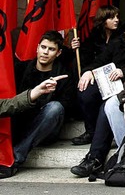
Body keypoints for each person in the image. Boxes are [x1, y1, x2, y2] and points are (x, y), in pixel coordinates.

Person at [71, 12, 125, 178]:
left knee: (107, 107)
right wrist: (88, 72)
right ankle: (92, 133)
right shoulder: (117, 43)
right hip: (110, 83)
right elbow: (101, 60)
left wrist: (124, 71)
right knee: (86, 92)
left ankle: (95, 158)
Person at [6, 31, 74, 178]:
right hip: (20, 123)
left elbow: (65, 110)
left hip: (46, 128)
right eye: (43, 47)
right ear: (37, 48)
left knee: (55, 108)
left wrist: (49, 94)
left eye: (51, 49)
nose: (45, 52)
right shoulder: (21, 69)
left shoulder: (64, 76)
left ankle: (16, 158)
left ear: (58, 53)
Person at [72, 5, 120, 145]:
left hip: (116, 77)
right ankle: (90, 131)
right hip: (96, 76)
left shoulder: (122, 36)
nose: (116, 20)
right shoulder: (94, 36)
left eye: (117, 17)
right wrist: (75, 48)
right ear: (103, 19)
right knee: (85, 93)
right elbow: (85, 58)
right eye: (112, 17)